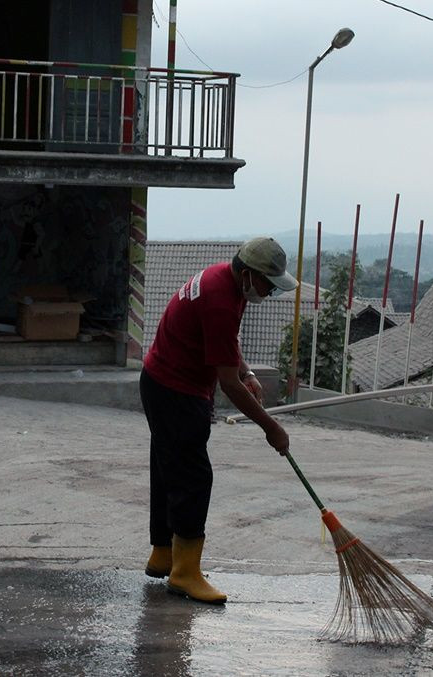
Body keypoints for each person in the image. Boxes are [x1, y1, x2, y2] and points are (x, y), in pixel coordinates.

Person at [141, 236, 296, 604]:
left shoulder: (223, 282)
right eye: (268, 285)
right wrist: (271, 427)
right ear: (247, 274)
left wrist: (246, 372)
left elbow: (223, 345)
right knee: (194, 478)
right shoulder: (220, 299)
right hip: (176, 390)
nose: (269, 293)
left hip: (161, 382)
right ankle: (185, 573)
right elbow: (227, 384)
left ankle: (163, 554)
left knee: (168, 469)